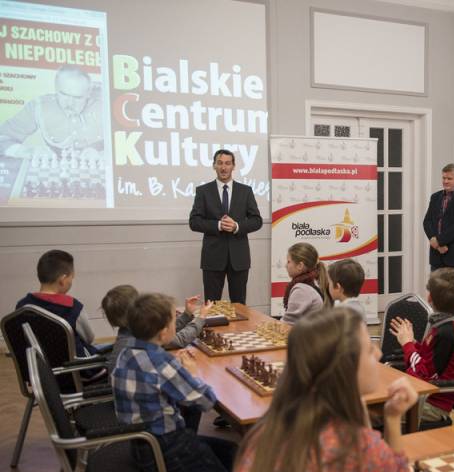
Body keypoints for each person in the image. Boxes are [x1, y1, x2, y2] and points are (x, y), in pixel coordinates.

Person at [220, 307, 417, 472]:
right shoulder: (358, 447)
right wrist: (393, 420)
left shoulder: (263, 433)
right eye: (370, 349)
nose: (379, 354)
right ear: (346, 368)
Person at [111, 293, 237, 472]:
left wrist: (176, 370)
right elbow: (206, 401)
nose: (175, 323)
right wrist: (192, 373)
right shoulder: (160, 362)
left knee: (231, 452)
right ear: (163, 332)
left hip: (141, 445)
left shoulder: (127, 352)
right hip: (168, 450)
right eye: (173, 320)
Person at [389, 267, 454, 424]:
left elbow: (422, 375)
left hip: (431, 405)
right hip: (423, 395)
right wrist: (412, 342)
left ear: (429, 297)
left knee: (372, 409)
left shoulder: (446, 333)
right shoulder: (450, 323)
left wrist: (407, 344)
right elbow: (430, 359)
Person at [189, 149, 263, 304]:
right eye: (220, 163)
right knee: (211, 306)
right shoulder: (203, 191)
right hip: (212, 258)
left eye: (228, 163)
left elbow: (257, 220)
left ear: (233, 166)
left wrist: (237, 226)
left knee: (239, 305)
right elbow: (194, 222)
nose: (223, 167)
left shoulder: (246, 191)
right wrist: (218, 225)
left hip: (239, 258)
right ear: (214, 165)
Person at [101, 284, 213, 370]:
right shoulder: (140, 334)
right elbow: (179, 339)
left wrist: (186, 314)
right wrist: (201, 317)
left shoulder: (127, 331)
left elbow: (165, 329)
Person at [0, 65, 104, 158]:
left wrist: (104, 153)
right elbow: (3, 136)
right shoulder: (39, 106)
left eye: (77, 97)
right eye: (64, 94)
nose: (70, 103)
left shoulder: (103, 105)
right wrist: (26, 151)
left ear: (88, 93)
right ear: (56, 89)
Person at [16, 249, 97, 358]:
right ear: (63, 280)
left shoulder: (22, 306)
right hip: (75, 366)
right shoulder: (73, 308)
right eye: (71, 277)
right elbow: (89, 338)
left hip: (36, 366)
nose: (71, 281)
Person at [422, 163, 454, 276]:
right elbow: (427, 222)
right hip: (436, 257)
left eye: (449, 178)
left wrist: (439, 241)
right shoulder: (435, 197)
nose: (445, 181)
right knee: (435, 288)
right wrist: (436, 243)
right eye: (443, 178)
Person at [280, 242, 329, 325]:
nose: (286, 265)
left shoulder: (302, 289)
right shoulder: (314, 280)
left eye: (288, 262)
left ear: (300, 266)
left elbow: (287, 323)